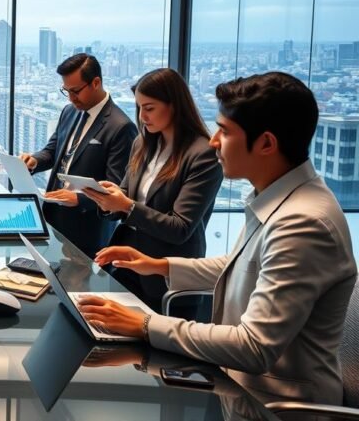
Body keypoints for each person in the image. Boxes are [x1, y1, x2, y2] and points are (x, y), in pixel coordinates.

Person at [81, 72, 357, 405]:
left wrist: (146, 324)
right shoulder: (279, 197)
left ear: (266, 143)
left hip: (275, 405)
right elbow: (241, 265)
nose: (213, 142)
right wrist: (160, 265)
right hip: (240, 388)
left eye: (224, 132)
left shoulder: (303, 222)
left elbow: (254, 347)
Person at [80, 68, 223, 311]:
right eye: (139, 108)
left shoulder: (202, 154)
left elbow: (180, 228)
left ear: (175, 106)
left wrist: (126, 205)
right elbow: (126, 195)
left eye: (149, 108)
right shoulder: (143, 142)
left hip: (166, 275)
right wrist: (108, 200)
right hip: (126, 265)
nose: (142, 116)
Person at [20, 53, 137, 258]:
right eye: (66, 91)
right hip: (53, 218)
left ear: (96, 82)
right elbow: (53, 151)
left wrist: (79, 199)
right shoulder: (69, 111)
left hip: (87, 230)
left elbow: (118, 186)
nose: (72, 98)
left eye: (75, 91)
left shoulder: (121, 126)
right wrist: (34, 161)